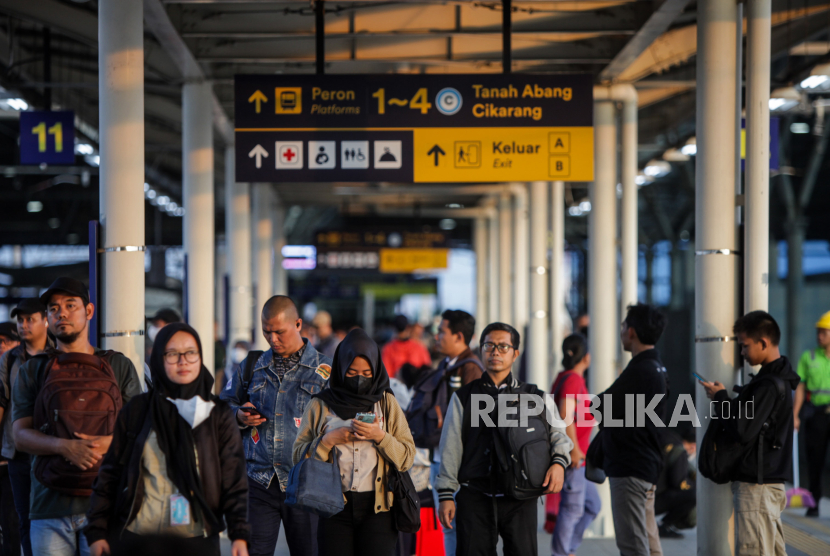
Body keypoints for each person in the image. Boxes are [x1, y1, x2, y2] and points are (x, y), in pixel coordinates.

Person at [85, 323, 250, 556]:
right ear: (159, 359)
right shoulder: (138, 410)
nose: (183, 361)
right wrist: (97, 531)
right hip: (140, 537)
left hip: (196, 537)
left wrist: (239, 534)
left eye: (190, 353)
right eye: (172, 354)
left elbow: (234, 477)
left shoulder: (216, 413)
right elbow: (110, 473)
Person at [12, 277, 142, 556]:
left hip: (106, 506)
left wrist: (103, 445)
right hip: (48, 507)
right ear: (47, 318)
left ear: (89, 311)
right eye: (54, 308)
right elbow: (19, 435)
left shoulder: (118, 365)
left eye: (71, 305)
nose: (62, 313)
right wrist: (65, 447)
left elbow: (141, 427)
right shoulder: (34, 370)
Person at [436, 323, 572, 556]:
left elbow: (559, 435)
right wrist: (446, 495)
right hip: (475, 497)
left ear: (515, 353)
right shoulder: (464, 397)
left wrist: (559, 463)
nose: (495, 352)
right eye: (489, 345)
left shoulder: (535, 396)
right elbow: (451, 447)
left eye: (503, 346)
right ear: (481, 350)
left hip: (521, 498)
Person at [220, 295, 332, 556]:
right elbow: (221, 407)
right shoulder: (251, 366)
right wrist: (238, 415)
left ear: (298, 324)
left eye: (279, 332)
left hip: (308, 481)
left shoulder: (325, 370)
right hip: (259, 480)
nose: (272, 339)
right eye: (266, 332)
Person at [293, 328, 416, 556]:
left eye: (367, 372)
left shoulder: (387, 403)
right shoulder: (321, 404)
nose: (360, 378)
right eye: (352, 372)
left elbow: (407, 457)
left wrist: (380, 436)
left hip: (379, 509)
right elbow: (298, 456)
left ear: (377, 370)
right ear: (340, 368)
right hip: (332, 508)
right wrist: (328, 441)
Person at [701, 311, 799, 556]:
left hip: (757, 488)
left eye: (744, 346)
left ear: (763, 343)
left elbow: (742, 429)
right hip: (768, 486)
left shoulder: (768, 385)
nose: (741, 353)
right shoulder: (779, 380)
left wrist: (721, 398)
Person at [597, 303, 668, 556]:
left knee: (633, 545)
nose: (621, 331)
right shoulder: (657, 367)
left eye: (624, 326)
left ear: (632, 332)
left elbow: (599, 407)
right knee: (649, 543)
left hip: (630, 467)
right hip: (646, 465)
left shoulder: (640, 369)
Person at [422, 309, 482, 556]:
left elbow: (472, 423)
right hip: (439, 459)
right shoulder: (448, 365)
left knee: (455, 528)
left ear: (459, 336)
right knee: (448, 528)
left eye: (441, 331)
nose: (437, 336)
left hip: (456, 467)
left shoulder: (470, 370)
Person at [0, 298, 52, 556]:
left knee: (50, 517)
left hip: (49, 450)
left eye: (30, 319)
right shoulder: (9, 359)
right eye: (20, 320)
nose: (24, 325)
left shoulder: (58, 355)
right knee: (23, 520)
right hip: (18, 452)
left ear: (45, 320)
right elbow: (2, 401)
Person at [550, 334, 600, 556]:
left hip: (579, 455)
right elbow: (565, 415)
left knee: (592, 506)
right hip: (574, 457)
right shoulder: (572, 379)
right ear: (586, 358)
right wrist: (574, 450)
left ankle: (568, 548)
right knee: (572, 509)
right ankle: (561, 553)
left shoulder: (566, 376)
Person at [792, 309, 830, 516]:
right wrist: (795, 415)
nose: (819, 335)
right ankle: (813, 503)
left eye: (824, 332)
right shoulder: (809, 357)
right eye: (818, 331)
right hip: (816, 414)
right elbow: (800, 388)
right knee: (815, 459)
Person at [654, 427, 696, 538]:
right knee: (694, 494)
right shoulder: (679, 451)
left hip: (642, 493)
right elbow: (679, 482)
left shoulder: (666, 441)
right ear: (693, 446)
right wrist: (694, 485)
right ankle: (664, 525)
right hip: (655, 499)